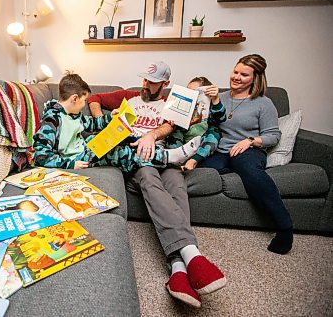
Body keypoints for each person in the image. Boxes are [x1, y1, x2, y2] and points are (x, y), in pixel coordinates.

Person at [88, 62, 226, 308]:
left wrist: (151, 135)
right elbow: (94, 97)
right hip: (139, 159)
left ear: (164, 84)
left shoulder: (171, 104)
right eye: (143, 79)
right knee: (150, 180)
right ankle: (191, 256)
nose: (144, 84)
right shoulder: (129, 99)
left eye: (151, 81)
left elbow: (170, 125)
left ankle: (178, 271)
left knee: (176, 184)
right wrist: (103, 120)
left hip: (164, 154)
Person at [197, 54, 293, 255]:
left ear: (255, 79)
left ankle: (284, 228)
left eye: (244, 74)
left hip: (248, 150)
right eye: (235, 71)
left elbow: (273, 135)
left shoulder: (263, 103)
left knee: (252, 173)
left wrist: (249, 141)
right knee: (197, 169)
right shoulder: (219, 98)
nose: (236, 77)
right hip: (221, 150)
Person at [33, 71, 201, 173]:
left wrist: (112, 118)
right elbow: (41, 156)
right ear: (74, 98)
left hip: (86, 148)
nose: (85, 104)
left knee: (124, 142)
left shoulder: (74, 115)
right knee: (120, 153)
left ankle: (163, 155)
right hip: (77, 158)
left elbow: (93, 124)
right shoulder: (52, 120)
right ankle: (170, 157)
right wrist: (70, 164)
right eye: (84, 101)